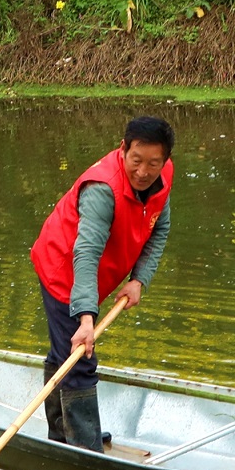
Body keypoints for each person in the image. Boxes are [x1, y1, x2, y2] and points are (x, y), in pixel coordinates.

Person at [28, 116, 175, 451]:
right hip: (64, 269)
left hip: (98, 275)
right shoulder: (102, 189)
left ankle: (64, 432)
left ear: (164, 161)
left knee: (65, 351)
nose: (143, 172)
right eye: (136, 161)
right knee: (80, 357)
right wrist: (85, 319)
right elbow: (87, 252)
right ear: (123, 149)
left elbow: (159, 230)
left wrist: (140, 279)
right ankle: (83, 445)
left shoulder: (163, 177)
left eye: (153, 163)